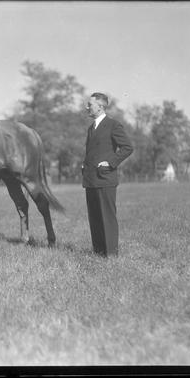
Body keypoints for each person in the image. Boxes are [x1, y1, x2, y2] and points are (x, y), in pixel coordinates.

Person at [81, 93, 133, 257]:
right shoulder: (91, 128)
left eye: (90, 104)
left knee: (107, 218)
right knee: (95, 218)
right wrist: (85, 163)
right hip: (90, 179)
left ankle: (111, 255)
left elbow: (127, 148)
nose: (87, 107)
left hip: (105, 179)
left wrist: (110, 163)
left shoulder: (113, 125)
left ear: (100, 106)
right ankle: (98, 252)